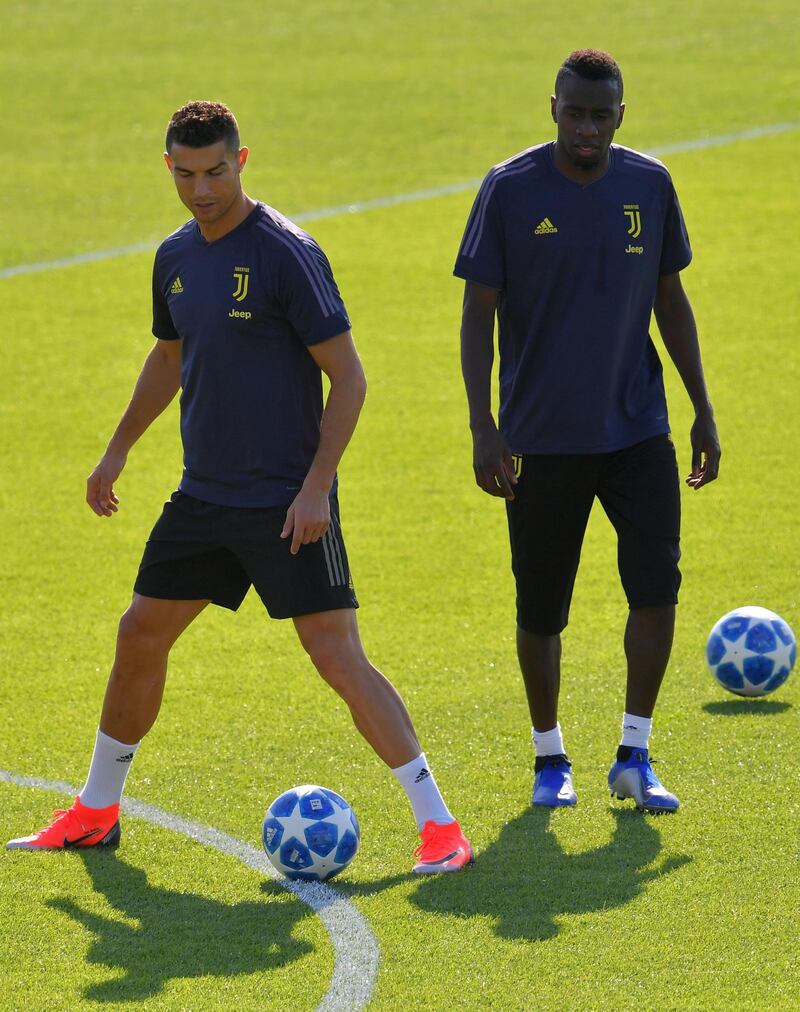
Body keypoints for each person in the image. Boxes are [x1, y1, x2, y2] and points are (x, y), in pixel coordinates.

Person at [8, 101, 472, 873]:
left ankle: (440, 828)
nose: (202, 190)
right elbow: (169, 357)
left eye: (216, 171)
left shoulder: (286, 254)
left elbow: (350, 380)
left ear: (242, 160)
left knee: (336, 656)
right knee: (139, 634)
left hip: (285, 500)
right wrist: (117, 451)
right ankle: (95, 811)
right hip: (204, 498)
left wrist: (317, 488)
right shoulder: (176, 256)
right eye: (186, 174)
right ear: (168, 168)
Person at [455, 50, 720, 813]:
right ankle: (549, 759)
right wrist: (485, 427)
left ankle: (634, 754)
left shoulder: (650, 184)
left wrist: (701, 406)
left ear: (620, 117)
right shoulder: (509, 190)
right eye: (575, 112)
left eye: (602, 115)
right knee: (541, 608)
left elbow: (670, 298)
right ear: (553, 108)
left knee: (657, 590)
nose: (587, 128)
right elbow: (477, 317)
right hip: (539, 438)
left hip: (638, 429)